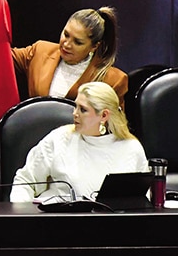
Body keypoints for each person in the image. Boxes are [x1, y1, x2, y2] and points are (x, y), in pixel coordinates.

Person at [10, 81, 147, 202]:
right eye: (76, 107)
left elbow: (143, 198)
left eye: (83, 110)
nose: (74, 114)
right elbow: (25, 181)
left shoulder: (131, 148)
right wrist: (22, 220)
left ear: (104, 115)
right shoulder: (60, 139)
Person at [12, 7, 128, 104]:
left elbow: (116, 127)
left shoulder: (113, 81)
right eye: (66, 34)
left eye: (77, 42)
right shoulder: (39, 51)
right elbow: (1, 57)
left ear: (94, 46)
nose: (66, 44)